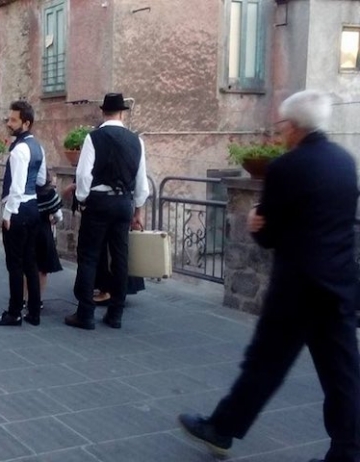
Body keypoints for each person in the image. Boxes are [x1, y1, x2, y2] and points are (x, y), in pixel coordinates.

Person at [178, 90, 360, 462]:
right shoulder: (345, 162)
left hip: (297, 289)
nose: (280, 134)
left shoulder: (286, 168)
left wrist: (254, 222)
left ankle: (221, 429)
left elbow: (268, 232)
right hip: (339, 284)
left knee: (265, 363)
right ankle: (348, 451)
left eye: (282, 126)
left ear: (293, 127)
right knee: (343, 374)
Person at [65, 92, 148, 331]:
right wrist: (138, 211)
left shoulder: (94, 137)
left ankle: (85, 313)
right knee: (120, 258)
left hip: (99, 202)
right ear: (122, 112)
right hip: (124, 203)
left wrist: (82, 198)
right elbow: (141, 181)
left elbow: (83, 175)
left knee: (89, 255)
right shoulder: (136, 141)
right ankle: (116, 314)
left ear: (103, 112)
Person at [0, 100, 47, 327]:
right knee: (30, 261)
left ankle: (14, 312)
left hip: (19, 208)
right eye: (9, 119)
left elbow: (17, 186)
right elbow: (41, 179)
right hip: (33, 207)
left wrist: (7, 214)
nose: (9, 123)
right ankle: (34, 311)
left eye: (14, 120)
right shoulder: (38, 147)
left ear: (26, 122)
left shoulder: (20, 150)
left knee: (15, 264)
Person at [23, 181, 63, 311]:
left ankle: (23, 298)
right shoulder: (49, 192)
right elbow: (58, 215)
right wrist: (54, 220)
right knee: (42, 268)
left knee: (26, 265)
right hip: (43, 231)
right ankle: (37, 299)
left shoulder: (24, 188)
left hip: (27, 228)